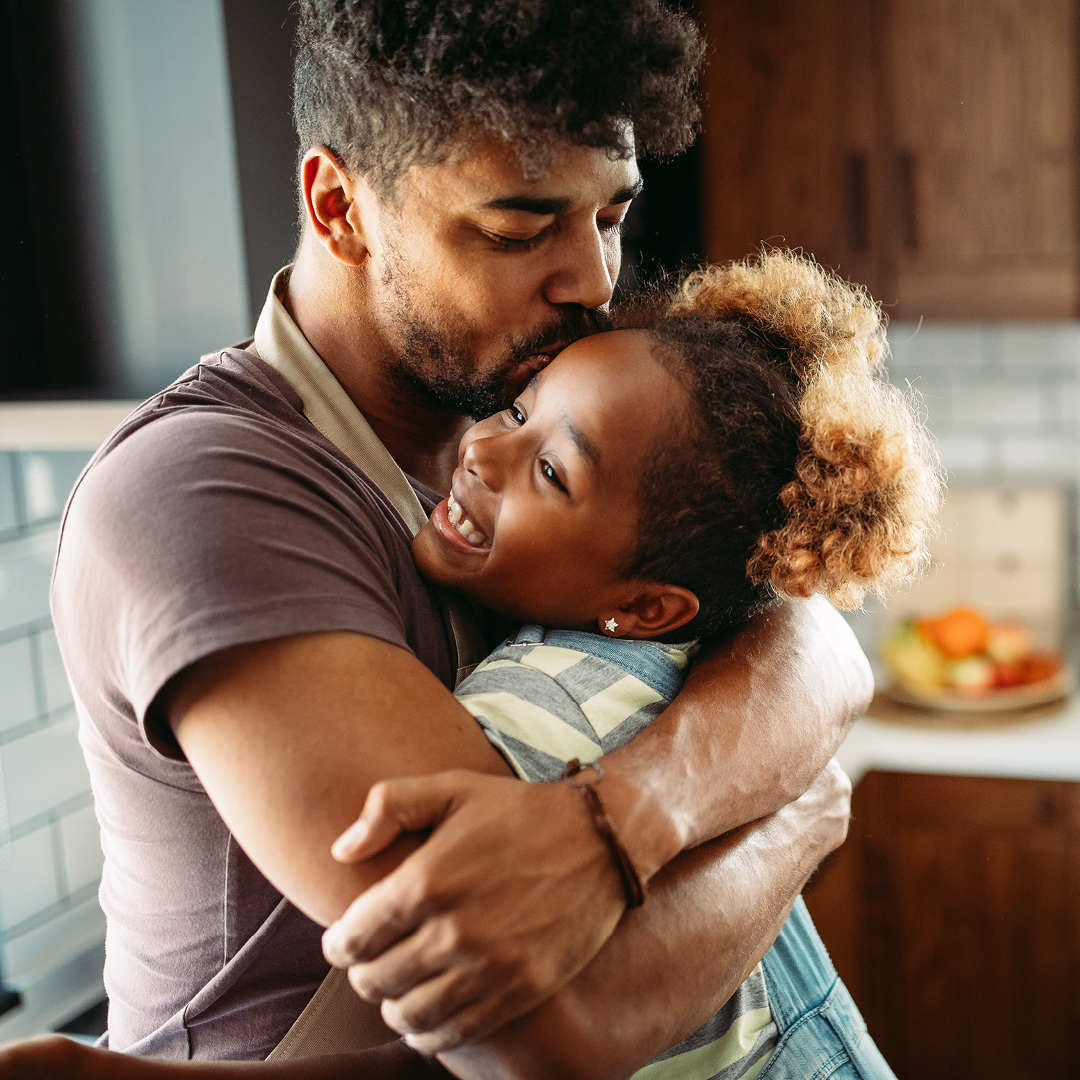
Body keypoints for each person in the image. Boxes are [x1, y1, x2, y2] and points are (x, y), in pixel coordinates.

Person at [30, 2, 874, 1076]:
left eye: (611, 216)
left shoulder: (516, 399)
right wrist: (797, 813)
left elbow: (808, 633)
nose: (594, 283)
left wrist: (630, 814)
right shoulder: (202, 490)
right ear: (340, 208)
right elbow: (546, 1032)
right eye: (520, 229)